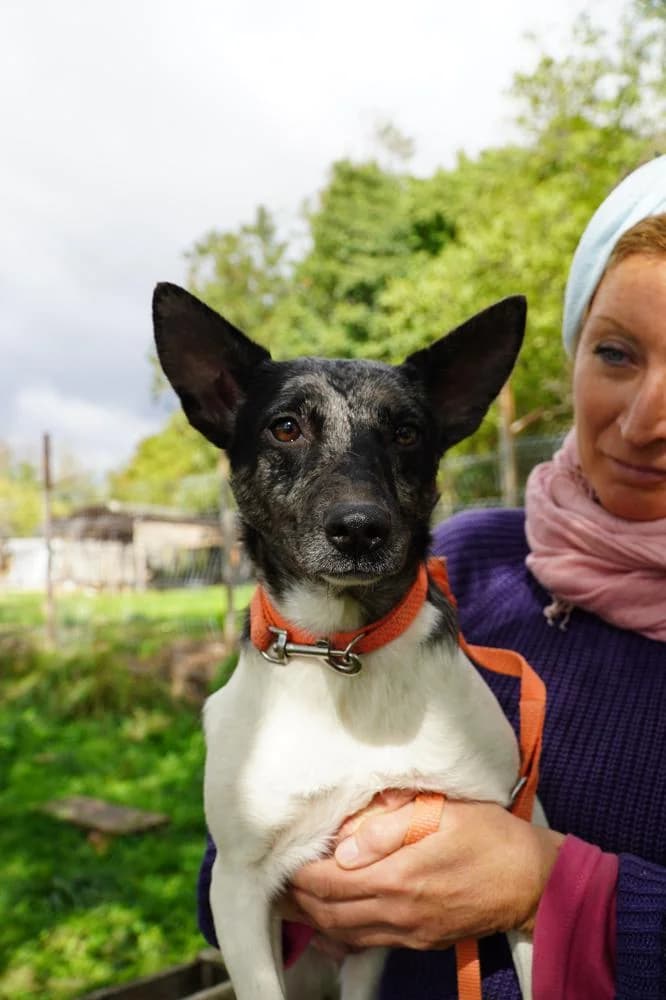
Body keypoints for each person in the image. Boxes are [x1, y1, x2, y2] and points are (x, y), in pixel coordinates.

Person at [198, 155, 666, 999]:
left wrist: (562, 893)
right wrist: (282, 868)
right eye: (618, 352)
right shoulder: (469, 561)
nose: (646, 419)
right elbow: (233, 874)